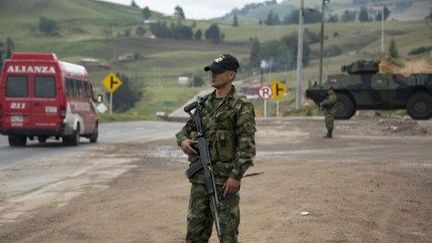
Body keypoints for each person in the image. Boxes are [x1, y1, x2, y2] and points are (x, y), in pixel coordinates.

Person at [176, 54, 256, 243]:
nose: (213, 75)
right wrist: (183, 142)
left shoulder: (240, 106)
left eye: (218, 72)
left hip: (224, 182)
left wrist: (236, 176)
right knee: (195, 234)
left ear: (231, 75)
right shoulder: (203, 104)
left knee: (227, 235)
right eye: (212, 71)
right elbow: (184, 132)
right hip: (200, 179)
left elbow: (247, 146)